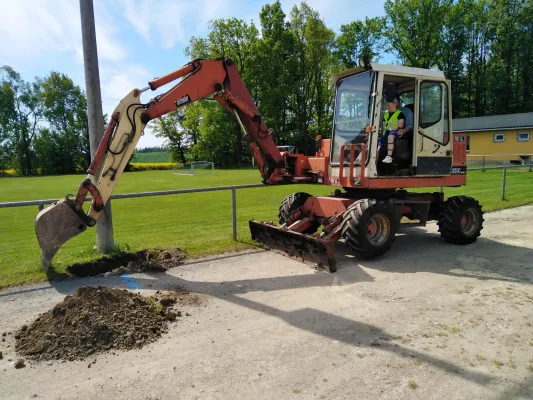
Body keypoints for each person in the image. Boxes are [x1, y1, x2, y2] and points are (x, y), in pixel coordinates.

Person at [379, 96, 405, 163]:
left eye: (388, 105)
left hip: (395, 132)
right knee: (377, 141)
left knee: (390, 136)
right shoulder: (385, 114)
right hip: (386, 132)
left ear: (395, 103)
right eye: (386, 105)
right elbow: (383, 125)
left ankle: (389, 156)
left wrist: (392, 129)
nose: (387, 107)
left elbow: (400, 126)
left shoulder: (400, 114)